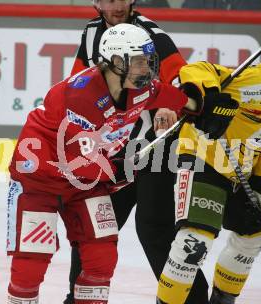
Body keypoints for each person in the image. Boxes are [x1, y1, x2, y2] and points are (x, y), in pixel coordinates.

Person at [5, 23, 203, 304]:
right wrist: (116, 170)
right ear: (116, 62)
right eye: (139, 62)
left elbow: (166, 95)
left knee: (101, 257)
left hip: (86, 181)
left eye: (148, 61)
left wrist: (199, 105)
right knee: (31, 261)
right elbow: (75, 157)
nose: (146, 68)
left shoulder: (136, 87)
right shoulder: (79, 96)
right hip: (40, 177)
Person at [156, 27, 261, 304]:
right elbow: (197, 70)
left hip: (243, 171)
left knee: (252, 235)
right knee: (194, 243)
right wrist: (210, 97)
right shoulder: (254, 82)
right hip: (204, 158)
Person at [66, 1, 210, 303]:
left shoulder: (152, 34)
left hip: (154, 149)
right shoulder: (92, 32)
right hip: (112, 155)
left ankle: (192, 300)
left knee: (154, 230)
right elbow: (77, 87)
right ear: (96, 2)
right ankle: (79, 298)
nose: (116, 5)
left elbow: (179, 79)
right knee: (94, 231)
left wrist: (168, 105)